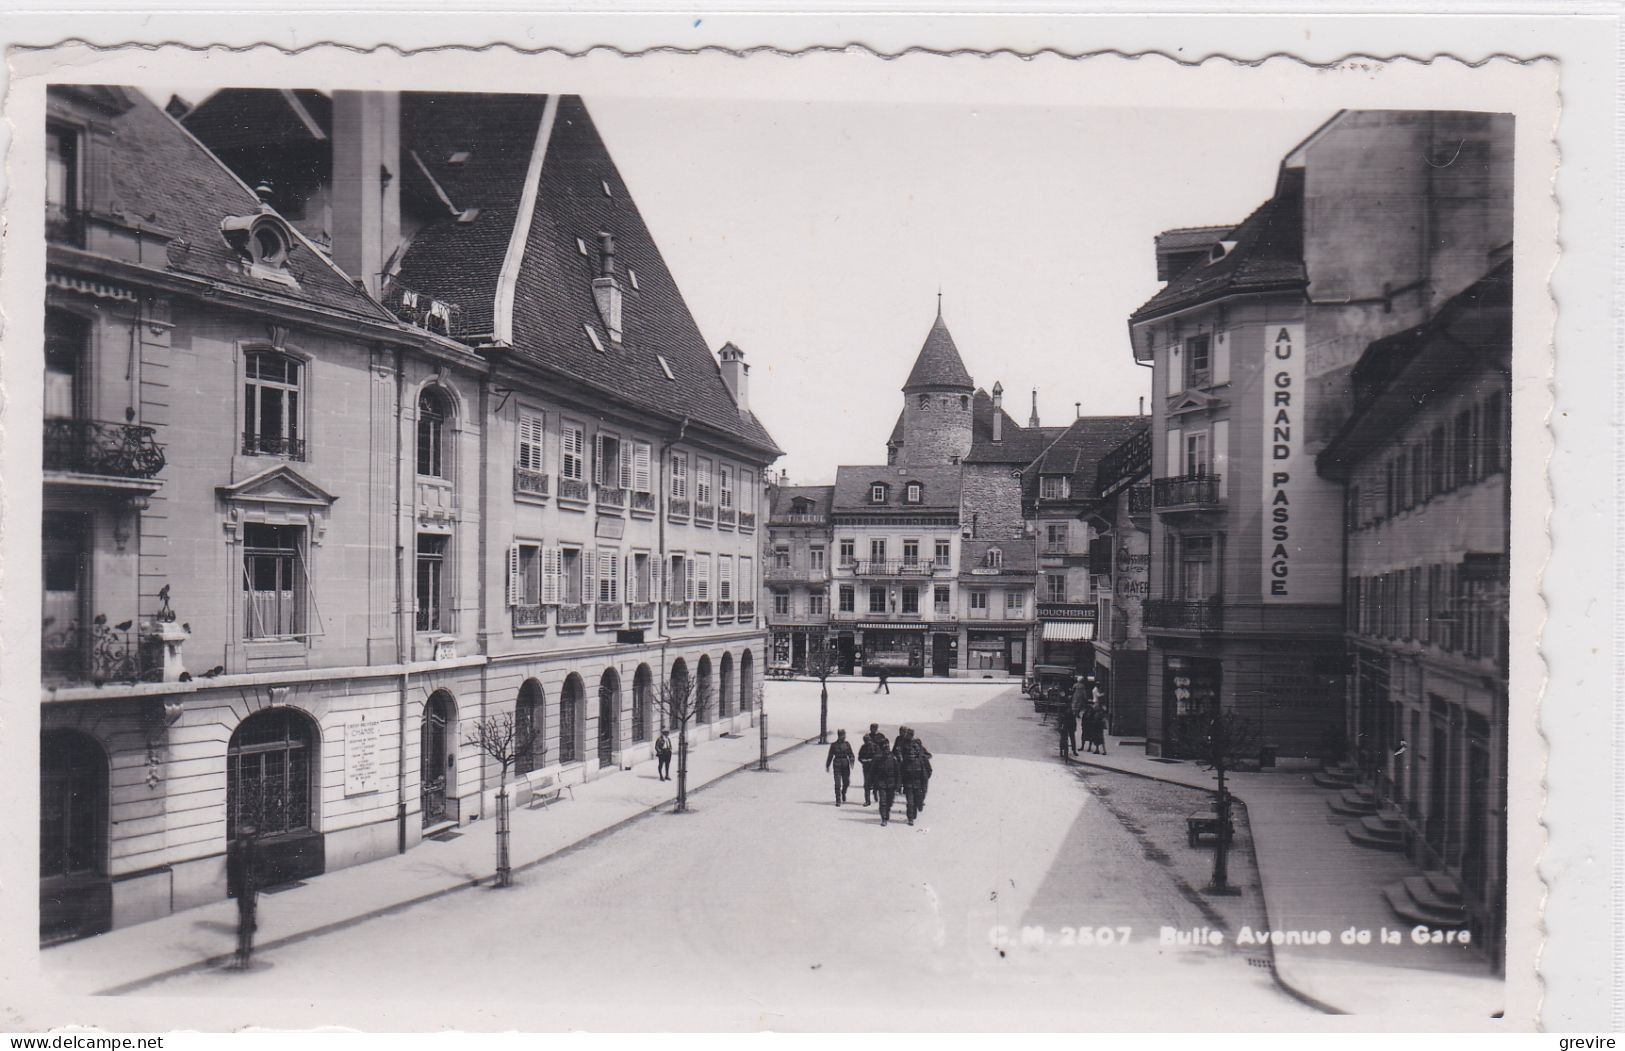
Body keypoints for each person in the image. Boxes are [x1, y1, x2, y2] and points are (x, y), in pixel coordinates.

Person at [227, 825, 259, 969]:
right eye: (242, 836)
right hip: (240, 886)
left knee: (248, 913)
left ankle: (247, 947)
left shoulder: (255, 849)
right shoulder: (235, 848)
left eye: (246, 836)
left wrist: (258, 881)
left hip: (250, 886)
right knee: (243, 911)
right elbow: (231, 867)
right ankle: (243, 945)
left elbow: (262, 866)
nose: (244, 839)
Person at [895, 726, 926, 825]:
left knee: (916, 802)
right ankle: (910, 818)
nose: (912, 755)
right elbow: (900, 775)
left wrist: (923, 788)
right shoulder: (902, 743)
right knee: (910, 802)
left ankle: (915, 812)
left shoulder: (919, 760)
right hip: (908, 784)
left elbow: (924, 776)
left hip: (917, 784)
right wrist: (899, 785)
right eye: (908, 734)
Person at [826, 729, 856, 805]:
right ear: (839, 736)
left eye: (844, 735)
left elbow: (851, 754)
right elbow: (830, 755)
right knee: (837, 783)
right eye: (842, 735)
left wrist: (852, 761)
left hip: (845, 764)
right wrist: (827, 765)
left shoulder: (847, 744)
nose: (844, 737)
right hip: (837, 764)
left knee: (847, 782)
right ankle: (838, 800)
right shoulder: (834, 745)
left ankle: (843, 792)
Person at [874, 747, 902, 826]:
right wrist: (873, 785)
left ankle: (887, 811)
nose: (886, 752)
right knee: (883, 802)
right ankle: (883, 818)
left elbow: (898, 775)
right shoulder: (878, 761)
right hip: (881, 783)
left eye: (887, 750)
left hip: (891, 784)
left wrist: (898, 786)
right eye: (884, 750)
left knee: (889, 802)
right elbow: (873, 773)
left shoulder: (894, 761)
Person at [858, 733, 883, 806]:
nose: (867, 742)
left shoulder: (876, 747)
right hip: (866, 768)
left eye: (868, 740)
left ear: (870, 740)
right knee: (866, 785)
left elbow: (879, 756)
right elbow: (859, 757)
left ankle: (875, 793)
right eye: (865, 741)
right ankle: (867, 801)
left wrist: (872, 760)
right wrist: (863, 761)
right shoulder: (863, 747)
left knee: (876, 783)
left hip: (875, 769)